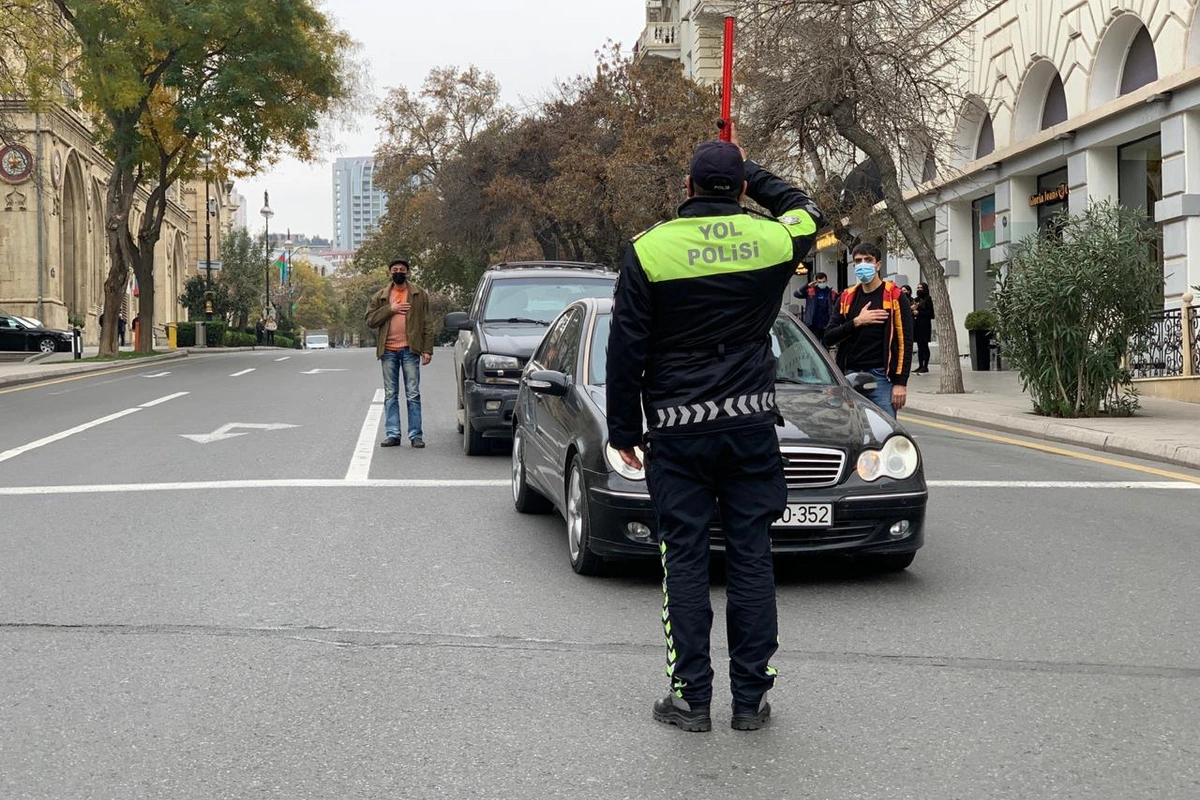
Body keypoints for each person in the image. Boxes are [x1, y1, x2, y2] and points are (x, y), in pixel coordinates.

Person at [607, 127, 822, 733]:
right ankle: (750, 701)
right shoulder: (775, 240)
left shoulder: (649, 249)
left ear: (688, 186)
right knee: (752, 556)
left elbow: (627, 348)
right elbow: (809, 209)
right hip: (751, 424)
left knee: (685, 557)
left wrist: (624, 426)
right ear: (740, 189)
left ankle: (691, 698)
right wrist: (753, 172)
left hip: (677, 431)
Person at [822, 242, 913, 416]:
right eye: (858, 260)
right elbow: (828, 337)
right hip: (849, 376)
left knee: (885, 431)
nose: (863, 264)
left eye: (868, 260)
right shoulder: (846, 298)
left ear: (878, 264)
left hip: (881, 378)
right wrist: (857, 322)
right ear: (854, 265)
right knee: (852, 432)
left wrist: (901, 383)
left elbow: (904, 342)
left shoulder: (895, 297)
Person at [365, 258, 437, 448]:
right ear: (389, 273)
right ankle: (393, 434)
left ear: (408, 273)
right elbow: (370, 320)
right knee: (391, 394)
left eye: (402, 270)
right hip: (388, 350)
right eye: (395, 269)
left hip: (410, 350)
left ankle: (415, 435)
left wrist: (427, 349)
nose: (398, 272)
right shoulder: (380, 296)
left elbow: (427, 323)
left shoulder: (418, 294)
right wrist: (391, 309)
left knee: (413, 394)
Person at [794, 271, 837, 342]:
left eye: (824, 281)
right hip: (813, 324)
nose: (822, 283)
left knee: (825, 346)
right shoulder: (811, 291)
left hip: (826, 325)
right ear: (816, 282)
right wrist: (807, 286)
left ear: (826, 281)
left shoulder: (831, 293)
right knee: (814, 344)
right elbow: (796, 294)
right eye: (820, 282)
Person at [912, 282, 935, 374]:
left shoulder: (928, 299)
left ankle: (925, 366)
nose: (918, 289)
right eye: (917, 287)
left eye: (920, 287)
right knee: (919, 346)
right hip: (917, 325)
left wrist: (919, 313)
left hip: (925, 325)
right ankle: (920, 365)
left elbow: (931, 314)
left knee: (924, 345)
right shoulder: (916, 299)